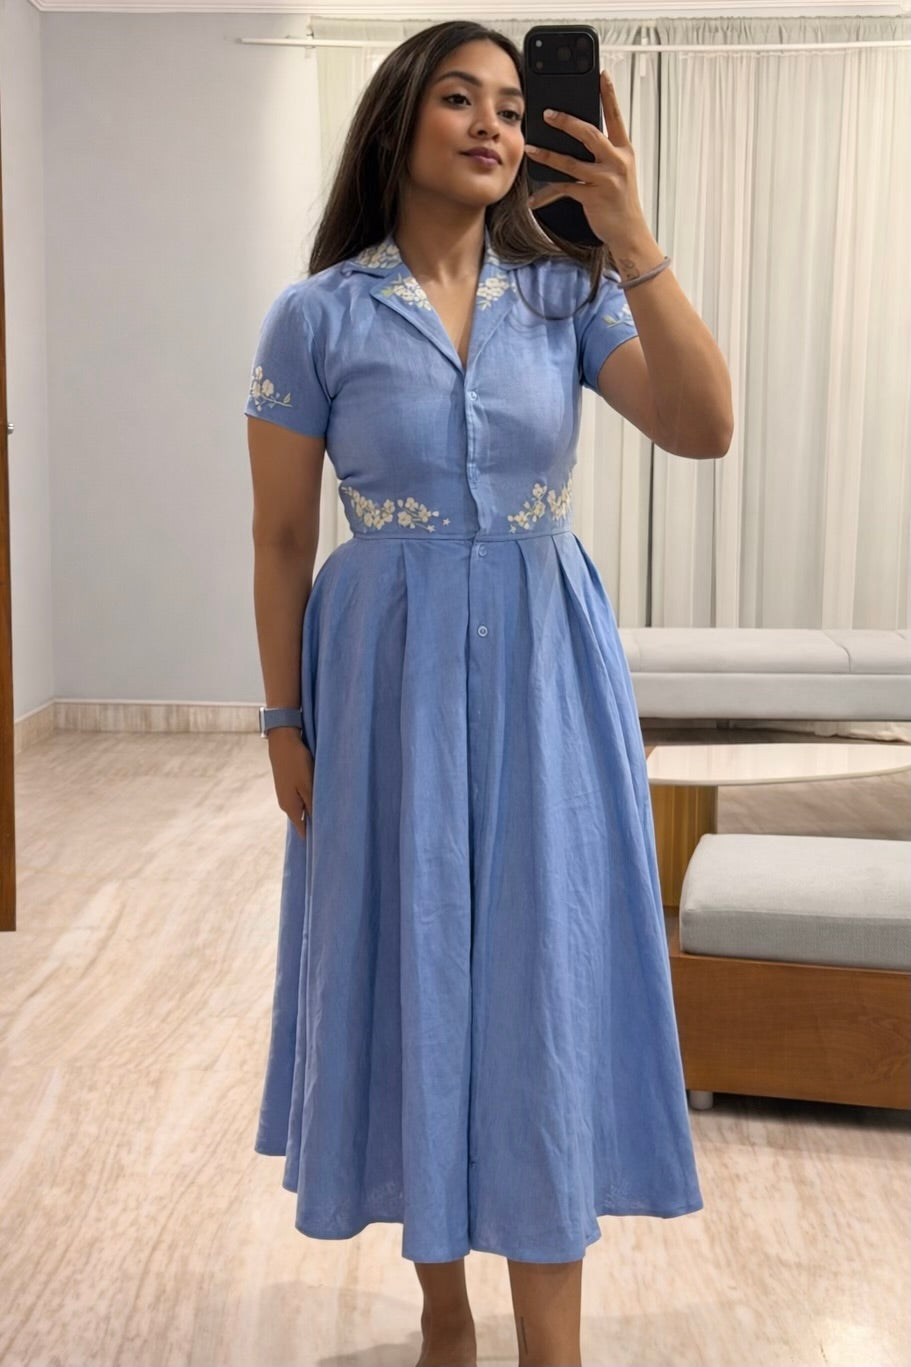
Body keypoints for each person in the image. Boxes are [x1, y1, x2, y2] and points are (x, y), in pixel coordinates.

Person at [245, 20, 725, 1367]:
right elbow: (284, 540)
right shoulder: (319, 314)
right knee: (419, 968)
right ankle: (442, 1300)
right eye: (459, 97)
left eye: (515, 105)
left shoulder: (568, 295)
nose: (494, 124)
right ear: (397, 121)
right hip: (383, 680)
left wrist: (631, 235)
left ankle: (549, 1348)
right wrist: (282, 723)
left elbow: (705, 424)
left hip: (542, 670)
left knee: (539, 983)